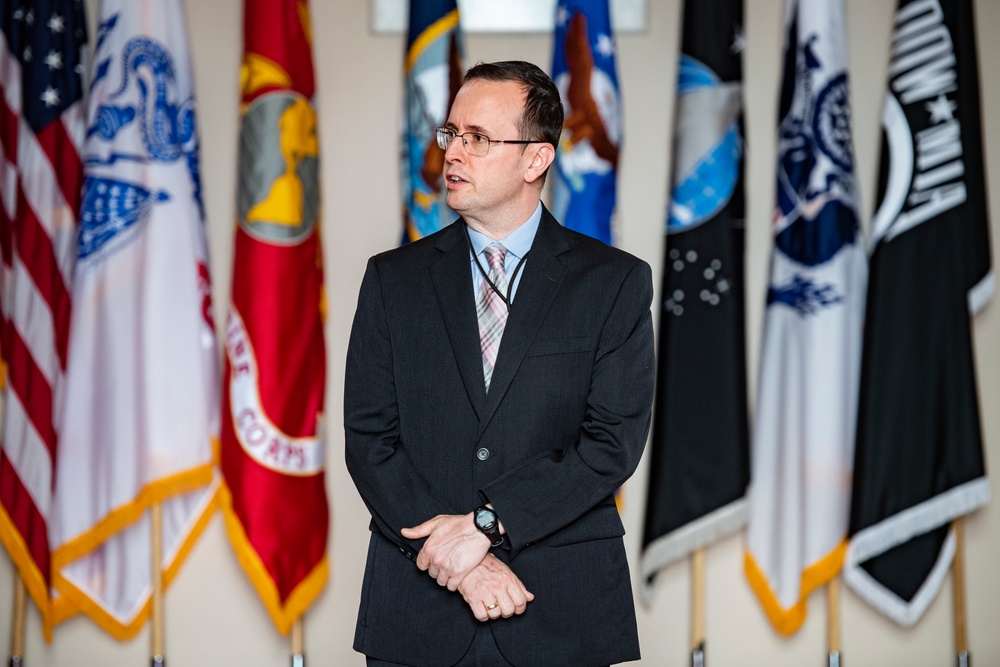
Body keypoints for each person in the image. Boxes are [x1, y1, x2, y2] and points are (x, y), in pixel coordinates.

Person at [344, 60, 655, 667]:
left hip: (562, 609)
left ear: (536, 160)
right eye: (451, 133)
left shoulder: (614, 283)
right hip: (418, 614)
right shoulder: (392, 280)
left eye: (478, 139)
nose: (453, 153)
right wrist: (465, 567)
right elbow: (370, 441)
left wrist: (487, 524)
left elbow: (611, 444)